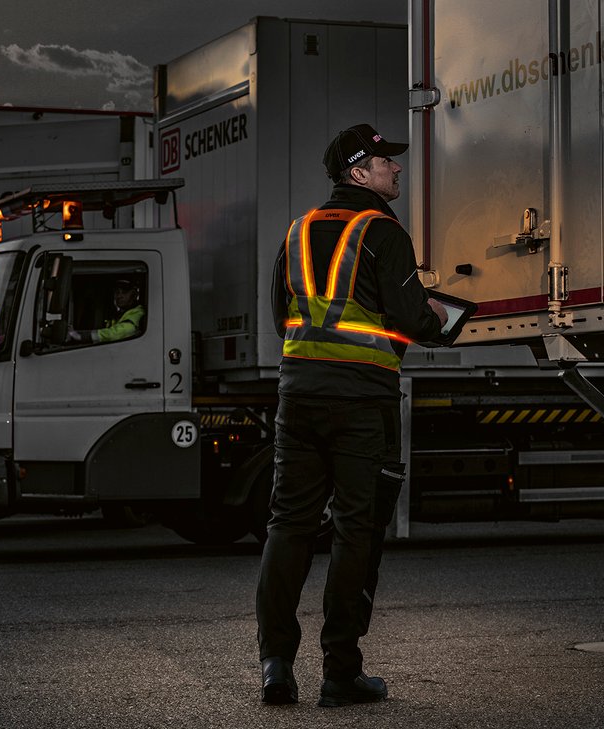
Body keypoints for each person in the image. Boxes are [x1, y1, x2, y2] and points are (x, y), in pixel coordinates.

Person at [255, 123, 448, 708]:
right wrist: (436, 313)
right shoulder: (384, 232)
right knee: (354, 530)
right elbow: (413, 320)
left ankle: (276, 666)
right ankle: (340, 672)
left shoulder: (296, 230)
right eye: (386, 161)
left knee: (288, 526)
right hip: (361, 400)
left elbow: (281, 316)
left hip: (298, 398)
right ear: (358, 172)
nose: (396, 169)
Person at [67, 279, 145, 344]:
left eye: (124, 292)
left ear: (134, 294)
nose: (119, 296)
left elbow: (119, 332)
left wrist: (81, 336)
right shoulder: (118, 314)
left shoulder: (138, 312)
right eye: (117, 292)